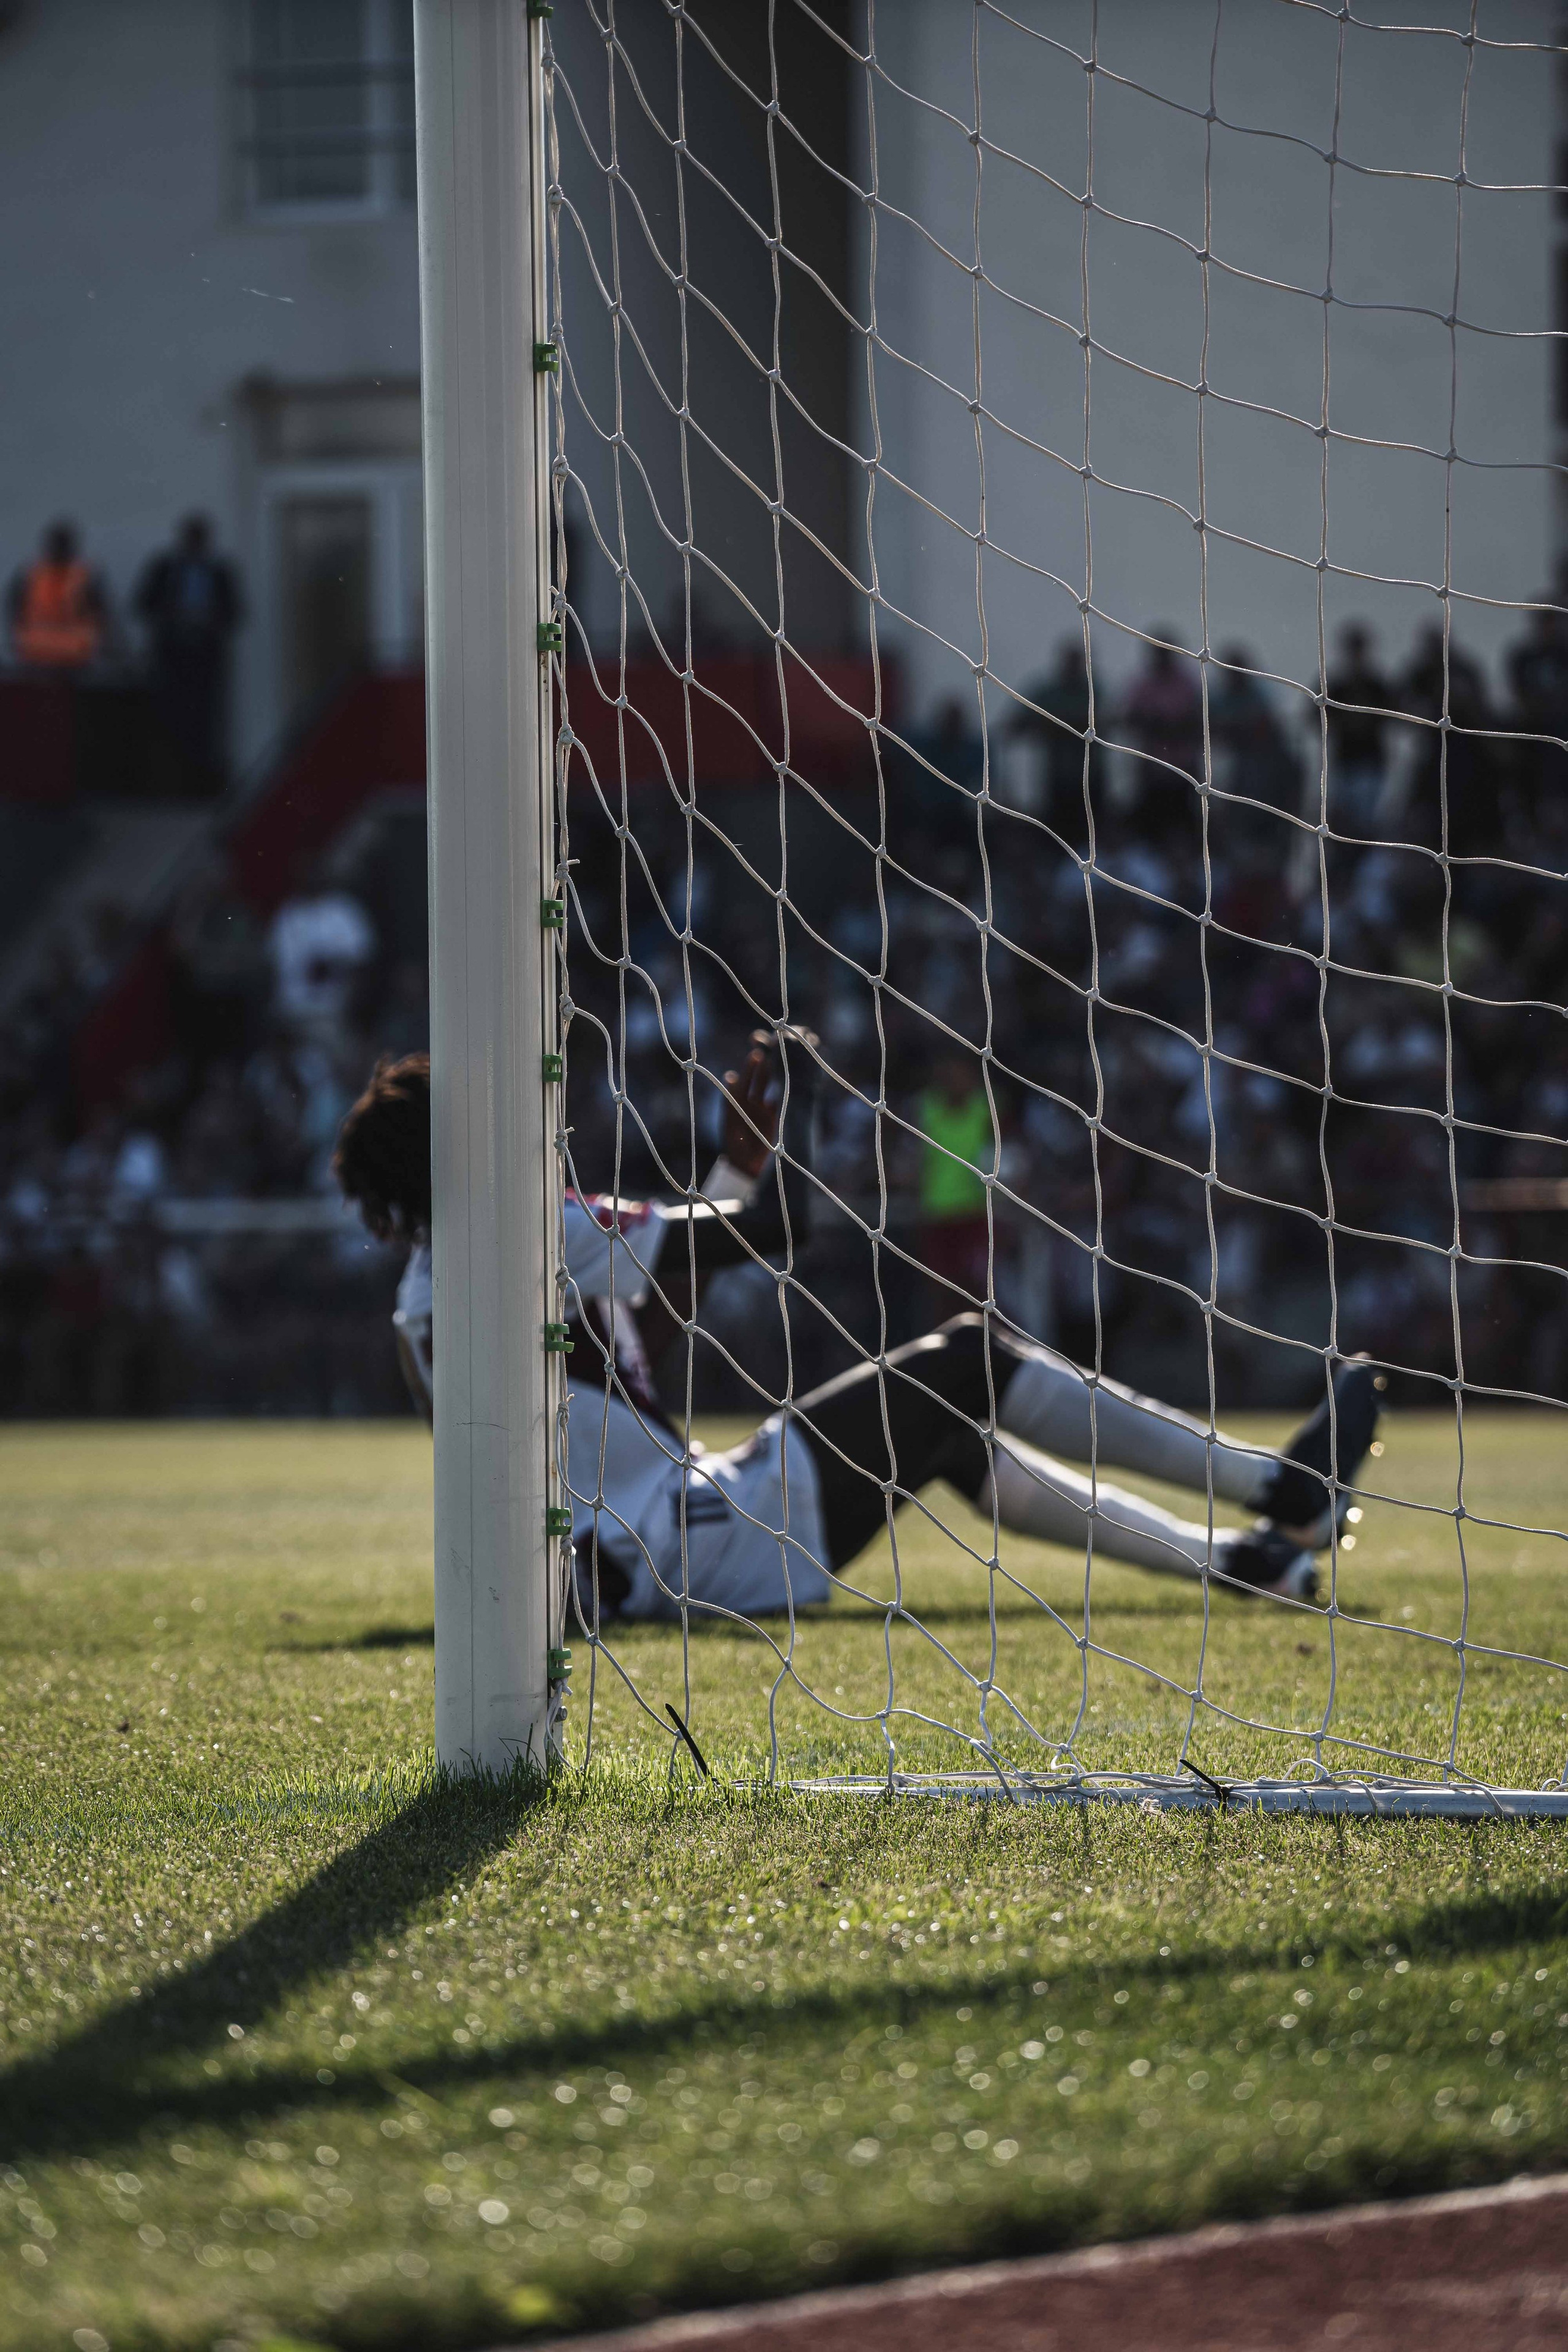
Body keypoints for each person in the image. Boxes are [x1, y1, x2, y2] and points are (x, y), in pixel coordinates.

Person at [333, 1046, 1382, 1622]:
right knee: (967, 1359)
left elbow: (645, 1333)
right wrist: (780, 1162)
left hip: (653, 1549)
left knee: (954, 1439)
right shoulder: (526, 1231)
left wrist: (736, 1165)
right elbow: (773, 1235)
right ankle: (1283, 1492)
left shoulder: (427, 1303)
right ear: (456, 1155)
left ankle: (1244, 1561)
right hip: (689, 1541)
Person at [134, 514, 244, 792]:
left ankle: (202, 784)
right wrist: (172, 613)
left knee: (207, 722)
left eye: (200, 537)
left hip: (206, 656)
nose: (196, 543)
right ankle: (172, 783)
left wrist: (210, 618)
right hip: (172, 657)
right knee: (171, 719)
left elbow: (236, 612)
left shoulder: (219, 571)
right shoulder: (165, 569)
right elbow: (143, 604)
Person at [916, 1052, 997, 1314]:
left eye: (960, 1074)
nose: (954, 1081)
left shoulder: (986, 1109)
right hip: (936, 1213)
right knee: (941, 1291)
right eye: (948, 1075)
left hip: (975, 1214)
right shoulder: (927, 1107)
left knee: (979, 1290)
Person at [7, 519, 110, 672]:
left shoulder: (29, 574)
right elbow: (104, 615)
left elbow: (13, 612)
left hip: (45, 655)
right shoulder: (86, 576)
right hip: (56, 656)